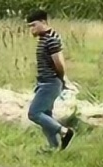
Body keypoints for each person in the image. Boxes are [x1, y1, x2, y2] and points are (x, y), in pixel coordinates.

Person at [26, 9, 75, 152]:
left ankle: (65, 132)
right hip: (45, 82)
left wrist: (60, 79)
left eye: (34, 25)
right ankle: (53, 147)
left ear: (43, 22)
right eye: (30, 26)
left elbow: (59, 63)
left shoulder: (51, 38)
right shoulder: (44, 37)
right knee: (46, 116)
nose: (32, 29)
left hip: (50, 83)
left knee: (34, 113)